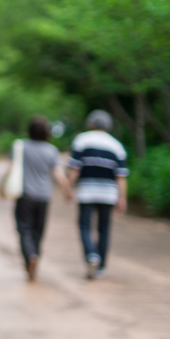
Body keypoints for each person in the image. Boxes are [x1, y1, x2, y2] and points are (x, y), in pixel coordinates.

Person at [8, 115, 72, 281]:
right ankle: (35, 255)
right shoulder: (51, 150)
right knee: (38, 231)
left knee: (24, 230)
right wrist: (67, 189)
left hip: (25, 195)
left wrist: (2, 186)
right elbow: (58, 173)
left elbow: (9, 169)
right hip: (43, 197)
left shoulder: (20, 146)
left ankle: (30, 256)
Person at [67, 110, 129, 280]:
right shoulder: (117, 146)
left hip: (87, 191)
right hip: (108, 194)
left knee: (84, 225)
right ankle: (101, 267)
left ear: (91, 124)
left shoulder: (82, 140)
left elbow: (75, 169)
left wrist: (68, 187)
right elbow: (121, 176)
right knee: (104, 228)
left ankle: (91, 255)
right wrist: (122, 198)